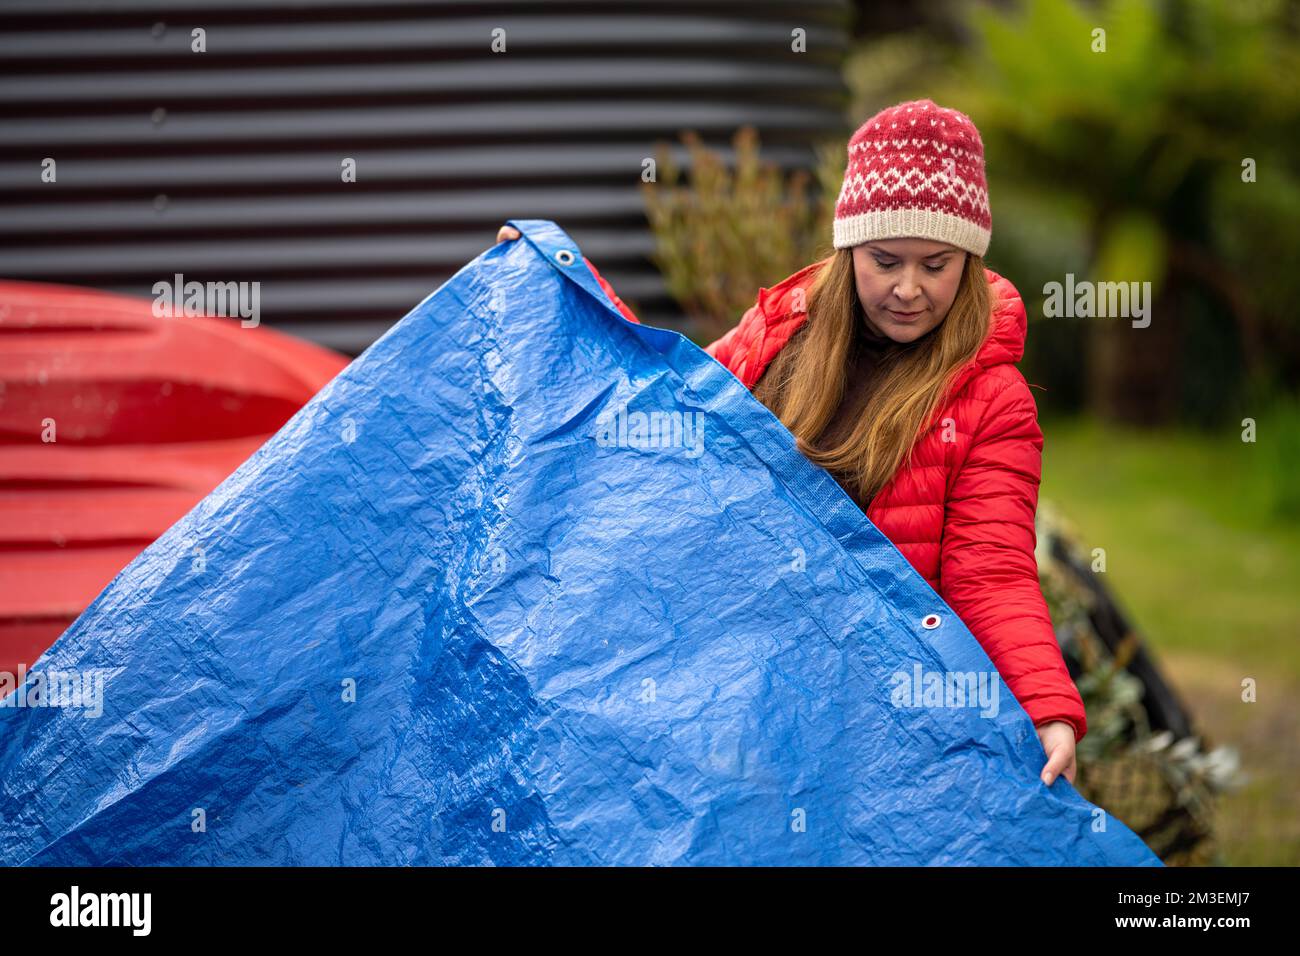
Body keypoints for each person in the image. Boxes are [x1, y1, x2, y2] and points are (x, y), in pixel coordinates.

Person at [494, 99, 1083, 787]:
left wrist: (1047, 709)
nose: (907, 288)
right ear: (849, 247)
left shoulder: (991, 399)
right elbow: (665, 402)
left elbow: (991, 574)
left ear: (970, 259)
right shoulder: (782, 333)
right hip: (744, 680)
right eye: (885, 260)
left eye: (936, 265)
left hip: (877, 711)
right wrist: (557, 286)